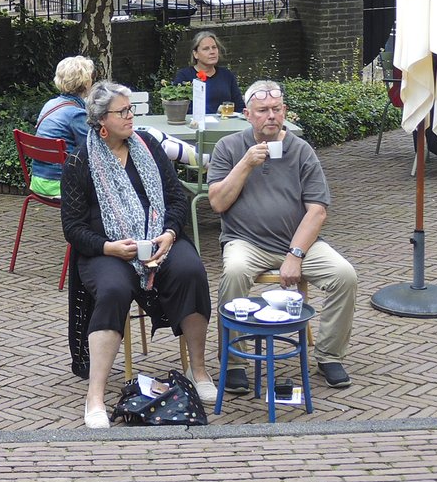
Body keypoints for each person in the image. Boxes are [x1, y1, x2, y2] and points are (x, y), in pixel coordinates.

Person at [62, 81, 217, 428]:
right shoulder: (79, 162)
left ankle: (199, 370)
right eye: (123, 112)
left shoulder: (148, 146)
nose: (131, 116)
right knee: (115, 290)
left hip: (159, 240)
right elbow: (72, 227)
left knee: (191, 270)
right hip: (106, 250)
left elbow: (176, 199)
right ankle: (95, 396)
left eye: (131, 110)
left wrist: (170, 234)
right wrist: (109, 247)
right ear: (102, 122)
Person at [207, 79, 358, 390]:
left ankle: (329, 356)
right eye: (263, 110)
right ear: (247, 114)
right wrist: (246, 163)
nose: (271, 116)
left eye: (276, 109)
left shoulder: (302, 151)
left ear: (285, 111)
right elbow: (218, 203)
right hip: (246, 242)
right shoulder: (229, 148)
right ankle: (234, 361)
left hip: (298, 243)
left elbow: (317, 211)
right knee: (233, 273)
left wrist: (296, 255)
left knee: (345, 275)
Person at [30, 56, 94, 198]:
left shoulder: (50, 104)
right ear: (85, 82)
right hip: (61, 184)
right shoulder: (76, 114)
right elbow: (92, 148)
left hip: (38, 181)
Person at [173, 30, 244, 113]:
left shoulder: (226, 75)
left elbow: (239, 106)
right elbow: (178, 107)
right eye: (206, 49)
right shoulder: (184, 76)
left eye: (214, 47)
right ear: (195, 54)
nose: (212, 52)